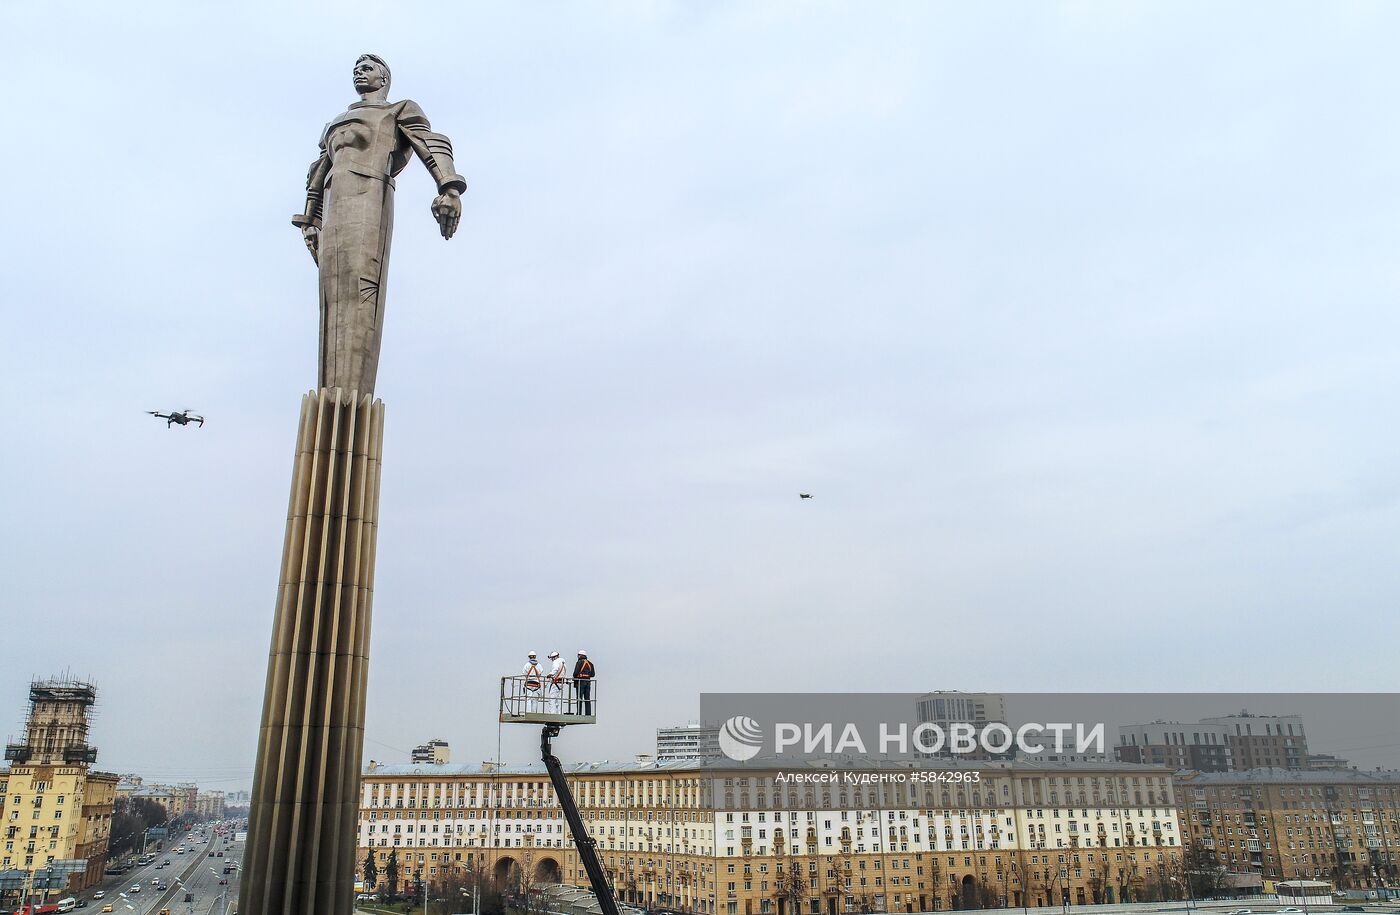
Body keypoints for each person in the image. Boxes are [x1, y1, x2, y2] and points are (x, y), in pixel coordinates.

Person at [293, 54, 467, 396]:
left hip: (368, 196)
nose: (360, 72)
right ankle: (331, 398)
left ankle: (351, 400)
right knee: (330, 302)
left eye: (368, 67)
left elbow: (430, 142)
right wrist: (310, 219)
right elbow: (319, 171)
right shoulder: (338, 122)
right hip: (334, 209)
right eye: (356, 68)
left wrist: (449, 187)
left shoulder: (397, 110)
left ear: (384, 78)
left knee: (362, 289)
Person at [573, 650, 595, 716]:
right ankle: (588, 713)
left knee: (579, 698)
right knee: (587, 698)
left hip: (580, 682)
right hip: (588, 682)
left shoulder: (579, 662)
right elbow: (593, 674)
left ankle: (579, 713)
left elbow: (575, 673)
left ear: (579, 655)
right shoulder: (590, 663)